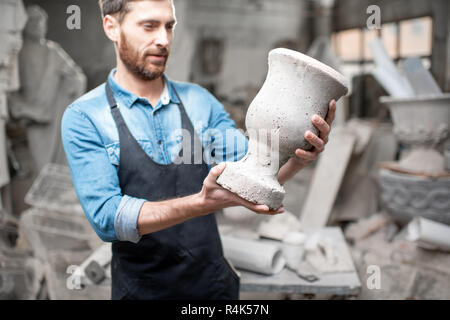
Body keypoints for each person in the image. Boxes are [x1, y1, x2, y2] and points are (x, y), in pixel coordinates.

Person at [61, 0, 336, 300]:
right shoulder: (86, 116)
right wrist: (202, 203)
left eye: (169, 26)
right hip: (141, 291)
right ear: (111, 27)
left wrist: (297, 157)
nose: (163, 40)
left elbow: (254, 170)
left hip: (211, 287)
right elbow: (107, 218)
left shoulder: (199, 102)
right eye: (149, 26)